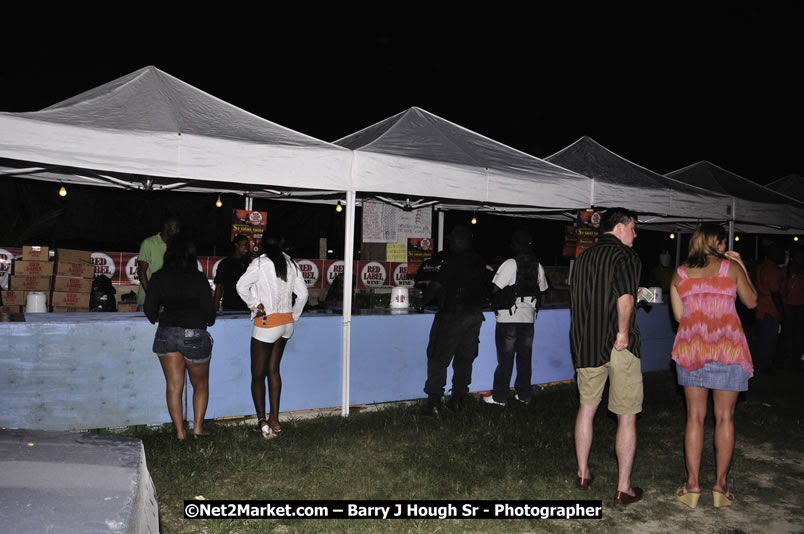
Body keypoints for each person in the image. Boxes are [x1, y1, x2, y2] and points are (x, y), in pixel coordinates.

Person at [670, 223, 757, 509]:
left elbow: (679, 315)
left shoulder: (680, 273)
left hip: (692, 348)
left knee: (694, 417)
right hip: (727, 348)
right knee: (725, 418)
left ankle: (693, 485)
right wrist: (741, 264)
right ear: (718, 243)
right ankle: (720, 486)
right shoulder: (730, 268)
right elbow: (752, 301)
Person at [569, 207, 643, 505]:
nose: (635, 235)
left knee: (587, 409)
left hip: (587, 343)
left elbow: (594, 296)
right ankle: (623, 487)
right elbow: (624, 296)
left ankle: (583, 473)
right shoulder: (625, 256)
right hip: (618, 344)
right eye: (633, 228)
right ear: (621, 227)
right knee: (626, 414)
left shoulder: (583, 258)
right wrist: (623, 332)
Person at [236, 232, 309, 438]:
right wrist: (293, 315)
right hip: (286, 324)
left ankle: (262, 422)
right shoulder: (291, 263)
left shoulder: (260, 263)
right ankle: (275, 419)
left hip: (267, 323)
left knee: (258, 374)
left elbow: (241, 286)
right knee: (273, 370)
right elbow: (303, 295)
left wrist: (253, 304)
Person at [144, 233, 216, 441]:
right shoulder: (199, 278)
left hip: (167, 333)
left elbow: (150, 310)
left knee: (174, 386)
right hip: (194, 333)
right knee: (200, 384)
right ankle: (198, 429)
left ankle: (180, 432)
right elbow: (209, 310)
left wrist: (163, 317)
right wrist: (206, 321)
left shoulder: (158, 277)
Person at [419, 225, 489, 416]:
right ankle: (457, 400)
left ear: (460, 241)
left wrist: (422, 302)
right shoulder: (479, 261)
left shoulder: (454, 260)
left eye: (451, 241)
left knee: (437, 358)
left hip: (454, 314)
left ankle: (433, 404)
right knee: (464, 360)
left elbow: (436, 285)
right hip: (474, 315)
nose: (449, 244)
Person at [483, 228, 548, 406]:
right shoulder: (537, 265)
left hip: (508, 319)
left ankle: (499, 397)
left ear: (517, 244)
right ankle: (524, 394)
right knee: (524, 360)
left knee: (505, 360)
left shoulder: (510, 264)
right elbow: (543, 289)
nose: (511, 245)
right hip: (528, 319)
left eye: (513, 242)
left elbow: (494, 290)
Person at [137, 215, 181, 311]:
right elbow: (141, 272)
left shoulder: (176, 246)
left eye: (179, 227)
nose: (178, 230)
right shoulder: (149, 243)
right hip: (147, 301)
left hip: (169, 303)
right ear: (166, 227)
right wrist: (151, 297)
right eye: (176, 226)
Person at [753, 243, 785, 374]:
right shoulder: (771, 269)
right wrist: (781, 311)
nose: (781, 255)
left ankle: (761, 363)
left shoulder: (761, 266)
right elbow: (775, 292)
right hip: (769, 309)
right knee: (769, 339)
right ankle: (763, 365)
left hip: (761, 308)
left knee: (763, 339)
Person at [777, 247, 803, 371]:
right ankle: (781, 361)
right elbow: (780, 290)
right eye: (797, 256)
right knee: (785, 335)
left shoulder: (802, 273)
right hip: (788, 306)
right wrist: (783, 307)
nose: (799, 259)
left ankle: (796, 362)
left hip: (800, 307)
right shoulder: (784, 271)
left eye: (801, 257)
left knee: (799, 336)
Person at [213, 234, 251, 312]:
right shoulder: (225, 263)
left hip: (248, 306)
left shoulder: (249, 262)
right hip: (230, 306)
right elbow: (219, 286)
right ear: (236, 245)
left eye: (248, 245)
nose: (247, 248)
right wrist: (215, 307)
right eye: (245, 245)